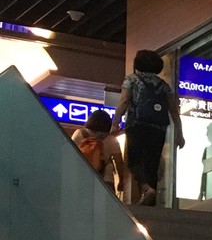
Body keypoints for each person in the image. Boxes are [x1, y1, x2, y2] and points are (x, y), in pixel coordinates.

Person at [114, 49, 184, 206]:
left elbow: (124, 101)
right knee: (152, 164)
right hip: (158, 128)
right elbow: (174, 111)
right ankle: (150, 203)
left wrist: (115, 123)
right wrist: (179, 133)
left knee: (134, 160)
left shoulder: (132, 80)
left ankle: (146, 188)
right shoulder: (164, 85)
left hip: (137, 125)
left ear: (137, 64)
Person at [72, 110, 127, 202]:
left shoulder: (79, 133)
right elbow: (119, 163)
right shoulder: (111, 139)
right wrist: (121, 181)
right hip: (105, 178)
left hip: (81, 176)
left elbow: (70, 154)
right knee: (105, 203)